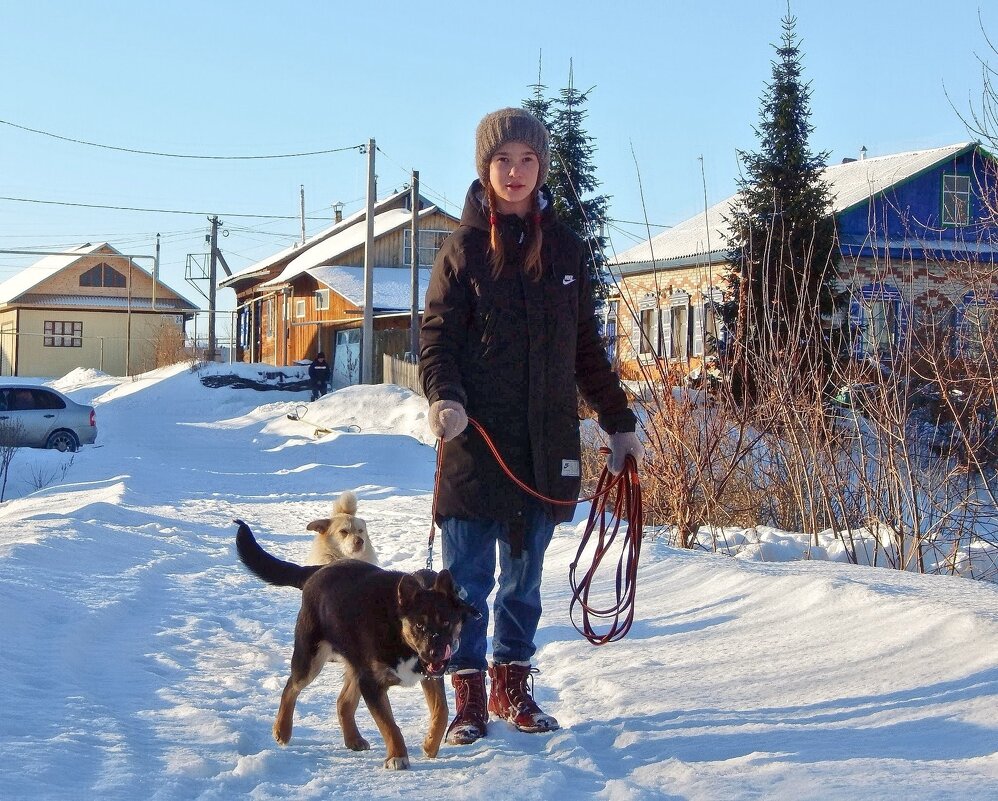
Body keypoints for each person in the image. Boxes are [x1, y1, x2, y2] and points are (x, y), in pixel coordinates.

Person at [419, 107, 644, 746]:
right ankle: (466, 699)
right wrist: (446, 399)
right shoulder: (460, 254)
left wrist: (618, 423)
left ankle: (512, 687)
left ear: (541, 167)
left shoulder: (567, 251)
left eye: (526, 160)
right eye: (502, 161)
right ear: (484, 169)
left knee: (522, 582)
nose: (515, 173)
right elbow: (436, 341)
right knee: (466, 582)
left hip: (544, 450)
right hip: (474, 444)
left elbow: (584, 351)